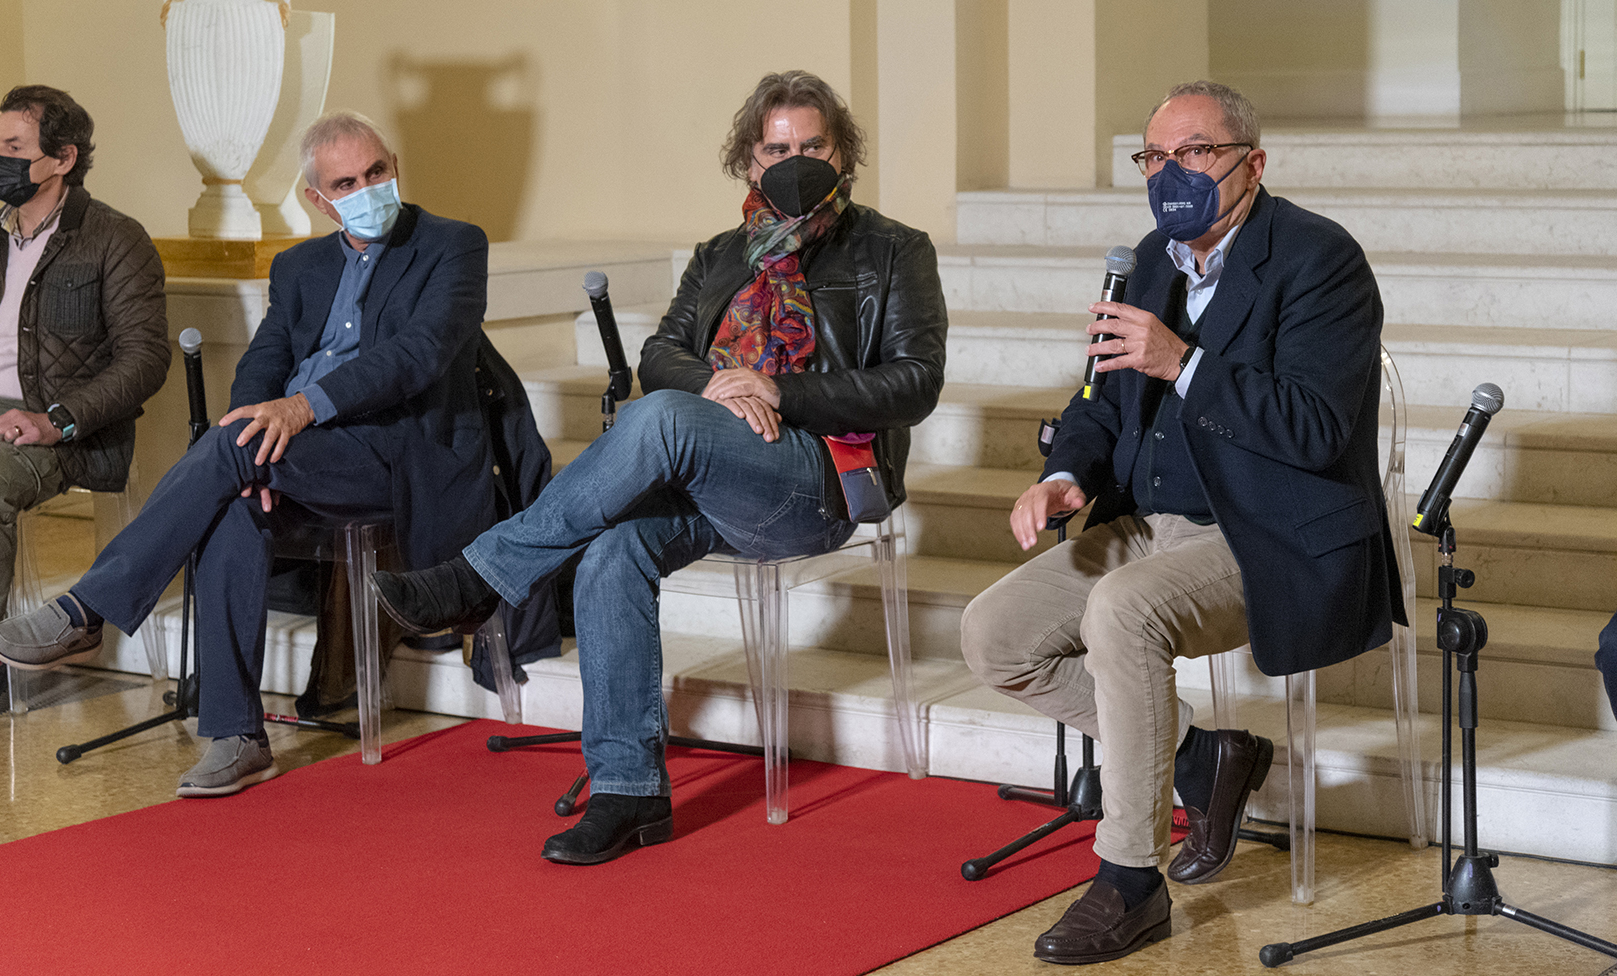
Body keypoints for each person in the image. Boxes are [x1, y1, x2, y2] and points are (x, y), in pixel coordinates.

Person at [373, 69, 948, 865]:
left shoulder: (893, 250)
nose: (794, 162)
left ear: (841, 153)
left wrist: (777, 389)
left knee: (661, 418)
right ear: (749, 160)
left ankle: (481, 577)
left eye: (812, 146)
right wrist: (722, 387)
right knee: (614, 548)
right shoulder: (720, 255)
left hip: (819, 481)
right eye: (776, 148)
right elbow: (659, 354)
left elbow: (914, 382)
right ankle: (628, 792)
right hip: (716, 475)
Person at [961, 81, 1405, 964]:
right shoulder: (1148, 261)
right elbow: (1096, 400)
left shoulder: (1319, 259)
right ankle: (1201, 757)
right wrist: (1062, 477)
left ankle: (1129, 880)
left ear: (1252, 162)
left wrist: (1183, 363)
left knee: (1123, 610)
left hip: (1266, 530)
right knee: (994, 634)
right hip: (1148, 521)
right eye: (1155, 157)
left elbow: (1316, 428)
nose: (1172, 174)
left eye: (1195, 152)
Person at [0, 110, 524, 797]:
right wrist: (258, 430)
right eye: (346, 183)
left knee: (231, 453)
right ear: (318, 199)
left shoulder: (452, 245)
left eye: (377, 172)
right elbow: (263, 363)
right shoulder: (300, 266)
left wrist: (299, 411)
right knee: (232, 506)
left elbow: (418, 355)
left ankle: (86, 611)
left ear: (394, 168)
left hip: (402, 456)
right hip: (299, 454)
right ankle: (237, 736)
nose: (368, 189)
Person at [0, 86, 168, 728]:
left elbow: (145, 359)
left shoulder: (116, 238)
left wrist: (55, 420)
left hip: (53, 429)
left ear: (63, 157)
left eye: (14, 147)